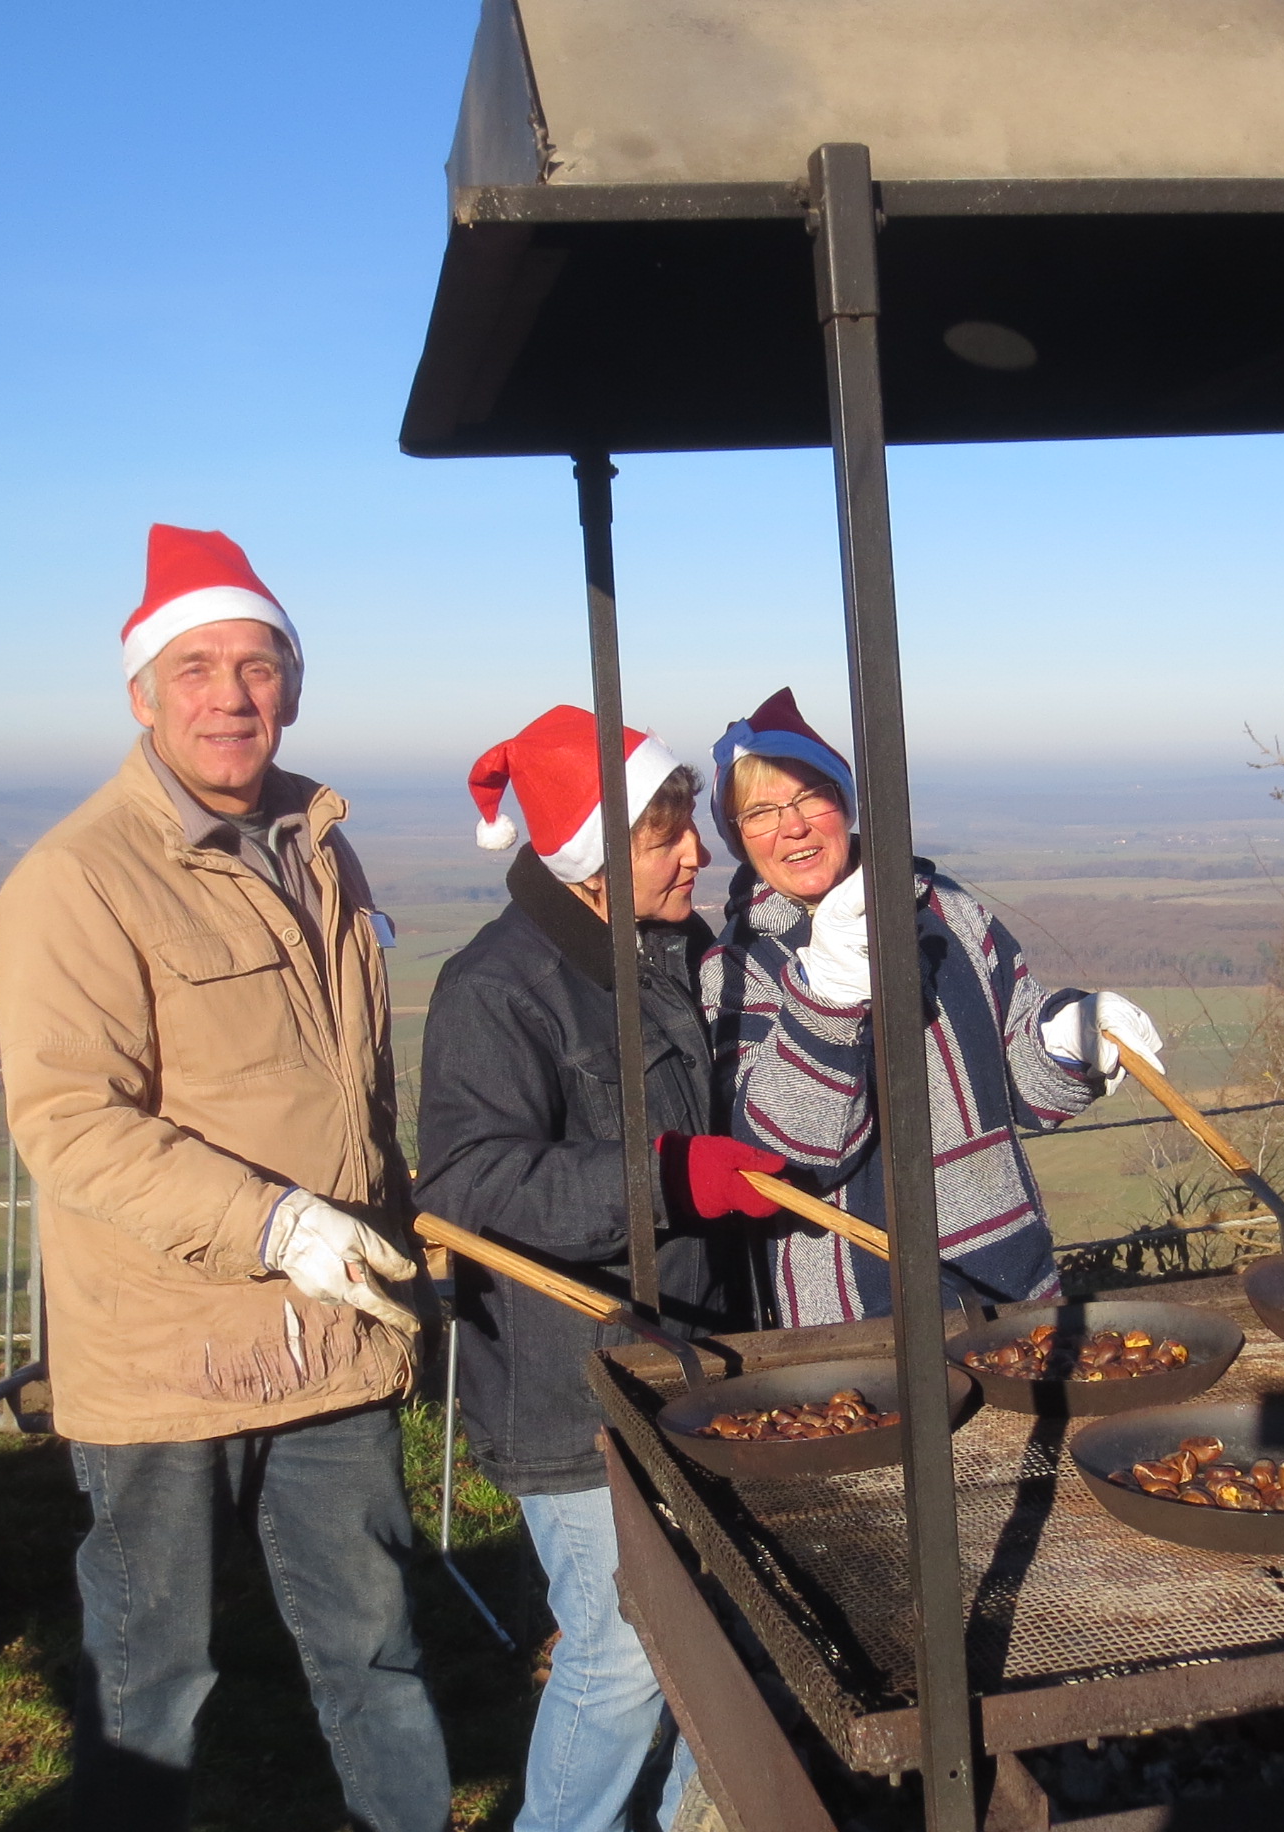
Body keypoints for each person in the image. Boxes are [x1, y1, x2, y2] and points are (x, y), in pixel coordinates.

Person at [0, 523, 448, 1830]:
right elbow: (71, 1122)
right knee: (156, 1685)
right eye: (197, 669)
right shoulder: (78, 880)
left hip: (336, 1335)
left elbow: (353, 1090)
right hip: (165, 1353)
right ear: (141, 695)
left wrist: (380, 1232)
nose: (230, 696)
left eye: (257, 666)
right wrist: (274, 1222)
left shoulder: (320, 846)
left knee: (377, 1655)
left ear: (291, 688)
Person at [414, 706, 780, 1832]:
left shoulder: (661, 955)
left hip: (675, 1361)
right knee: (622, 1652)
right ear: (589, 862)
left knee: (706, 1632)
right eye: (668, 837)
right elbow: (468, 1187)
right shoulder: (498, 988)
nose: (700, 853)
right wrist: (667, 1176)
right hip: (570, 1384)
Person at [700, 688, 1167, 1325]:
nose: (793, 826)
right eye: (760, 812)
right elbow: (790, 1157)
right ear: (738, 838)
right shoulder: (736, 968)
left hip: (1005, 1271)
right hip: (854, 1304)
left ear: (844, 803)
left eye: (812, 795)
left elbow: (1025, 1084)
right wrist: (827, 999)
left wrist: (1065, 1037)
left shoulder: (945, 912)